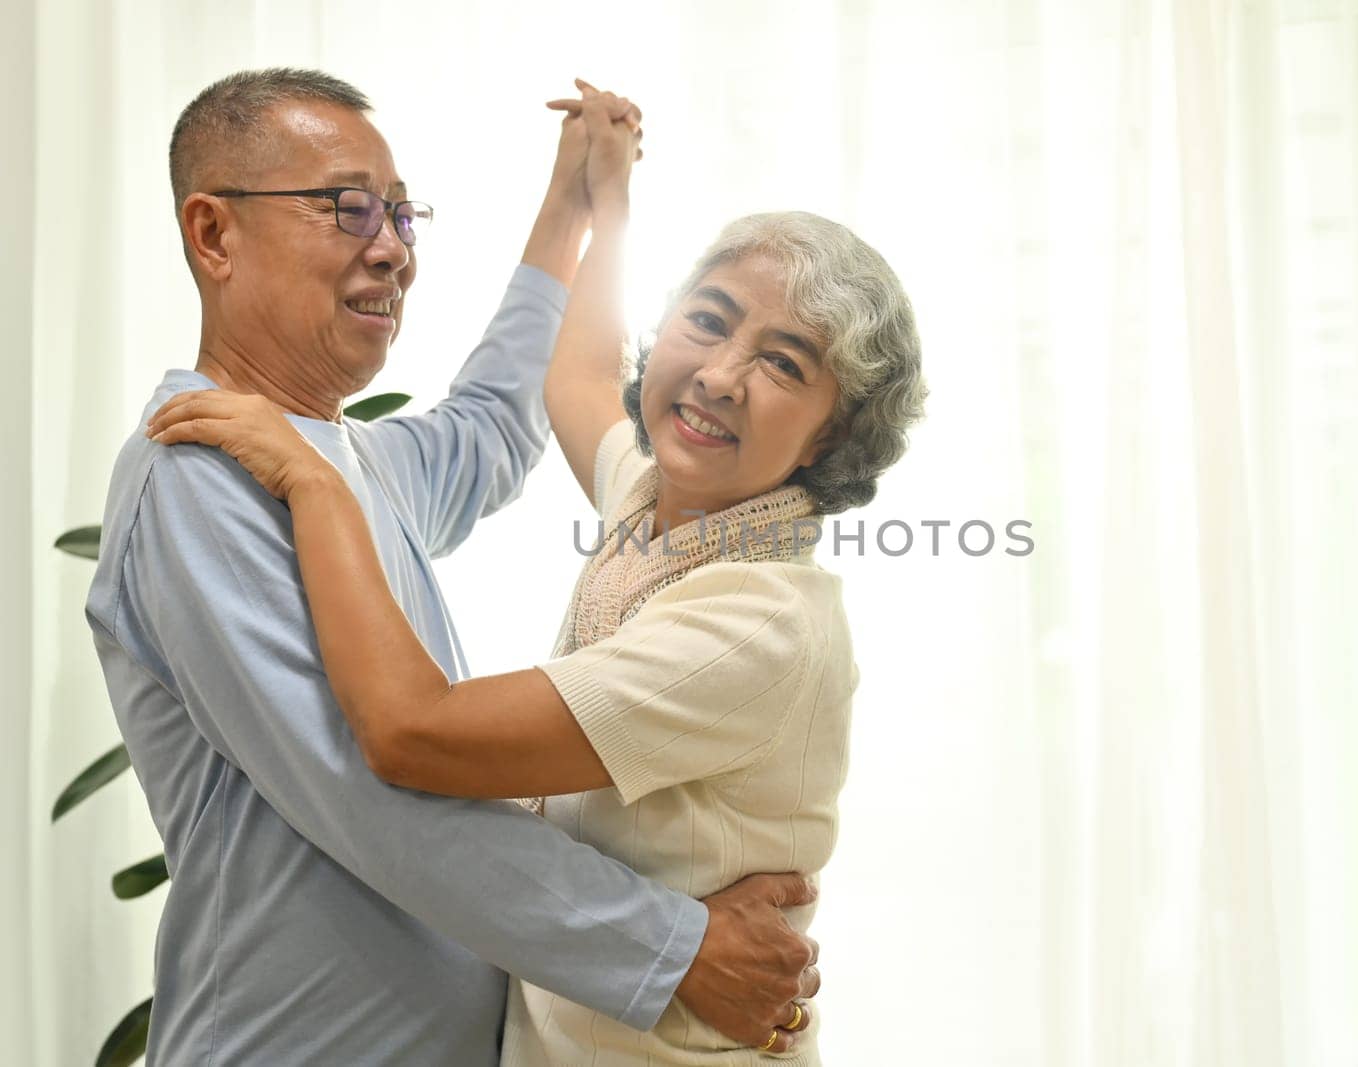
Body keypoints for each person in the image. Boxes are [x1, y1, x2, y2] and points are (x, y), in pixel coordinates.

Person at [146, 81, 929, 1064]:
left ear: (835, 432)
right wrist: (594, 202)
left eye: (784, 363)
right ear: (215, 235)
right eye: (348, 207)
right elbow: (568, 379)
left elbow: (488, 437)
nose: (390, 246)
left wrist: (312, 479)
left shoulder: (749, 608)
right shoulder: (207, 474)